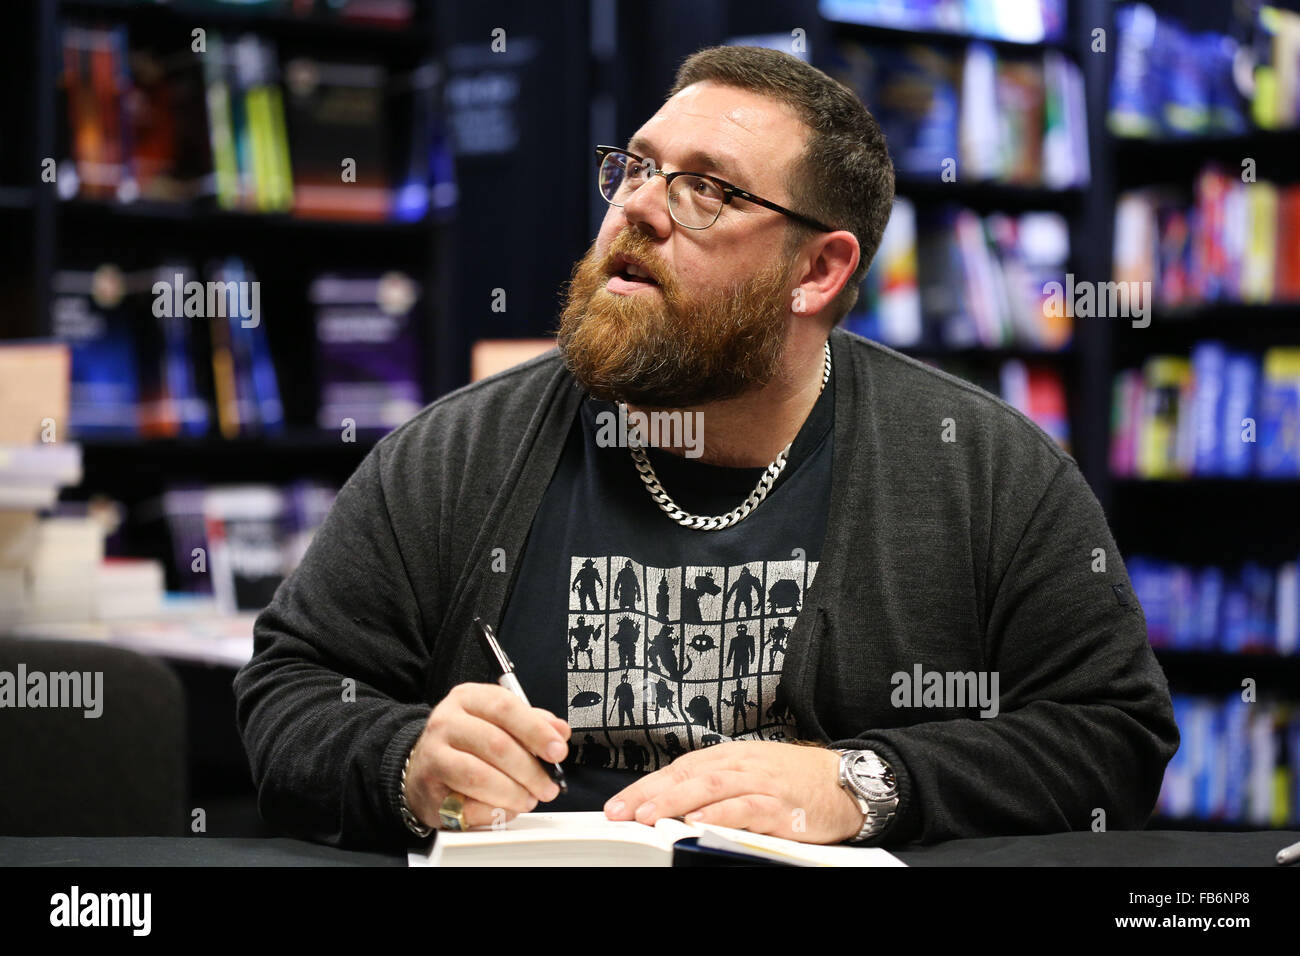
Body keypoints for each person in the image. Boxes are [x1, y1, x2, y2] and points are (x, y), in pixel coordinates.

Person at [233, 45, 1178, 852]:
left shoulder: (984, 470)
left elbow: (1114, 739)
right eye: (636, 168)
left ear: (819, 270)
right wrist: (402, 763)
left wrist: (866, 784)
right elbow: (291, 693)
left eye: (705, 191)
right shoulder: (452, 456)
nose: (639, 208)